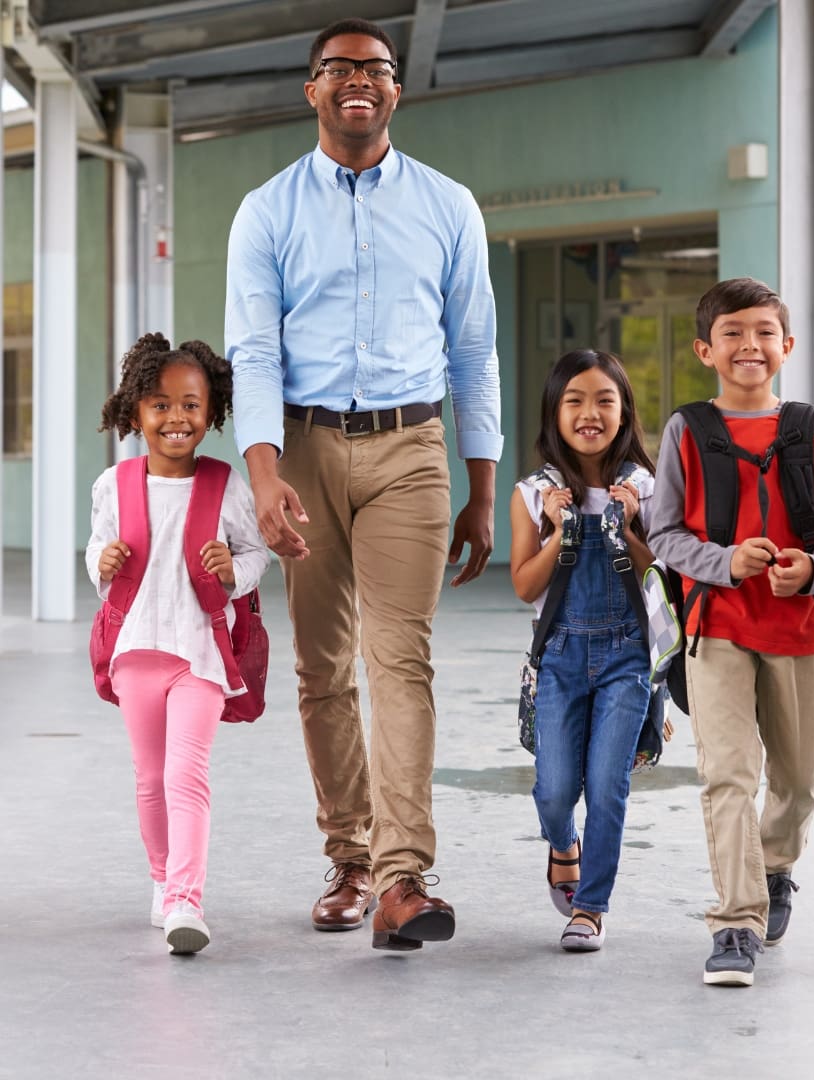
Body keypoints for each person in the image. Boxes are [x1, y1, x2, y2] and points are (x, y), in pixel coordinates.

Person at [224, 17, 501, 950]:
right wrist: (262, 474)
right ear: (311, 89)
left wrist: (482, 483)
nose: (358, 81)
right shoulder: (266, 211)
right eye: (338, 69)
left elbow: (473, 351)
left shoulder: (448, 204)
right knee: (321, 666)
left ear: (395, 89)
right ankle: (348, 854)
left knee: (402, 658)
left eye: (375, 69)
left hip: (410, 448)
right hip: (301, 449)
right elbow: (253, 350)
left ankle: (401, 875)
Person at [648, 277, 814, 986]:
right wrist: (724, 562)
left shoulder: (810, 427)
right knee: (728, 777)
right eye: (733, 333)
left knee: (801, 782)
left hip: (800, 630)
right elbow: (664, 533)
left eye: (764, 331)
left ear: (787, 345)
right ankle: (735, 922)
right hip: (720, 629)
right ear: (706, 349)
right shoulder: (686, 429)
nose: (750, 345)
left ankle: (773, 867)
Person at [86, 333, 271, 955]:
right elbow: (97, 551)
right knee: (149, 776)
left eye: (191, 405)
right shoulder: (114, 484)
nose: (176, 418)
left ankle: (187, 899)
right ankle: (163, 880)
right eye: (160, 405)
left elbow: (255, 554)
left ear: (211, 411)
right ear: (135, 412)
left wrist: (233, 570)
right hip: (137, 650)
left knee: (187, 773)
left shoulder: (227, 485)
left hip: (201, 652)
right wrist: (102, 559)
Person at [509, 349, 656, 951]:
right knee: (554, 789)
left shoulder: (647, 488)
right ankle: (562, 843)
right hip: (561, 657)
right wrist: (558, 530)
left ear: (624, 413)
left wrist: (631, 525)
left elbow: (662, 577)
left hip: (628, 656)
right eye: (575, 400)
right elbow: (525, 586)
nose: (590, 413)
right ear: (555, 412)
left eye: (604, 400)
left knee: (607, 785)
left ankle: (590, 907)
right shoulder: (532, 493)